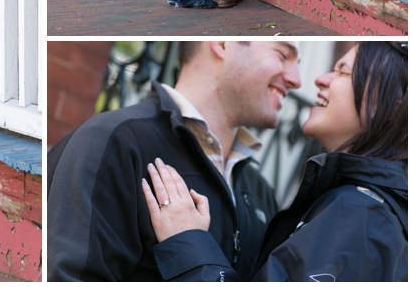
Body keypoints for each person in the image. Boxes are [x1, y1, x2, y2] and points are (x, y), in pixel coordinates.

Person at [143, 41, 407, 281]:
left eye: (342, 72)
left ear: (390, 106)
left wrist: (188, 243)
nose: (319, 79)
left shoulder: (359, 215)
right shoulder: (371, 211)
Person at [47, 41, 301, 280]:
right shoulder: (115, 143)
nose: (297, 80)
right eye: (282, 55)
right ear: (223, 43)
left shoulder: (261, 193)